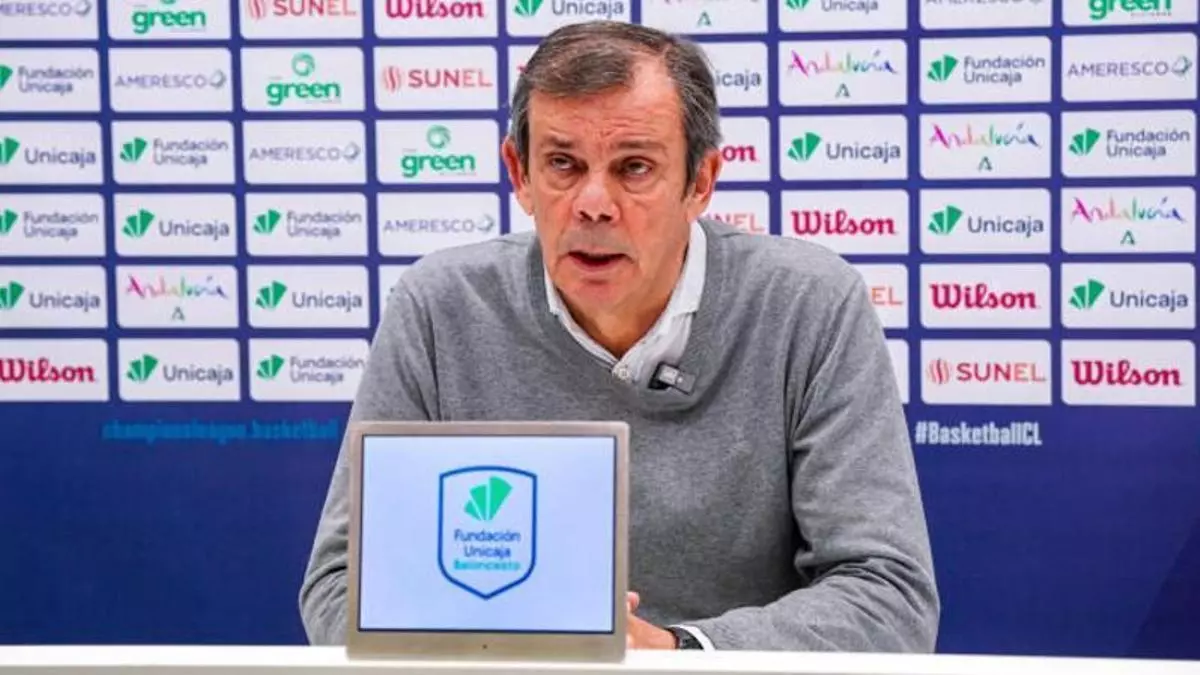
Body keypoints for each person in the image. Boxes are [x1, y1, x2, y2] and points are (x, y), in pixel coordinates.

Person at [299, 20, 939, 652]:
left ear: (700, 182)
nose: (594, 204)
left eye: (634, 168)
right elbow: (342, 585)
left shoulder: (809, 304)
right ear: (519, 173)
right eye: (563, 164)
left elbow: (888, 595)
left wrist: (679, 654)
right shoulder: (440, 308)